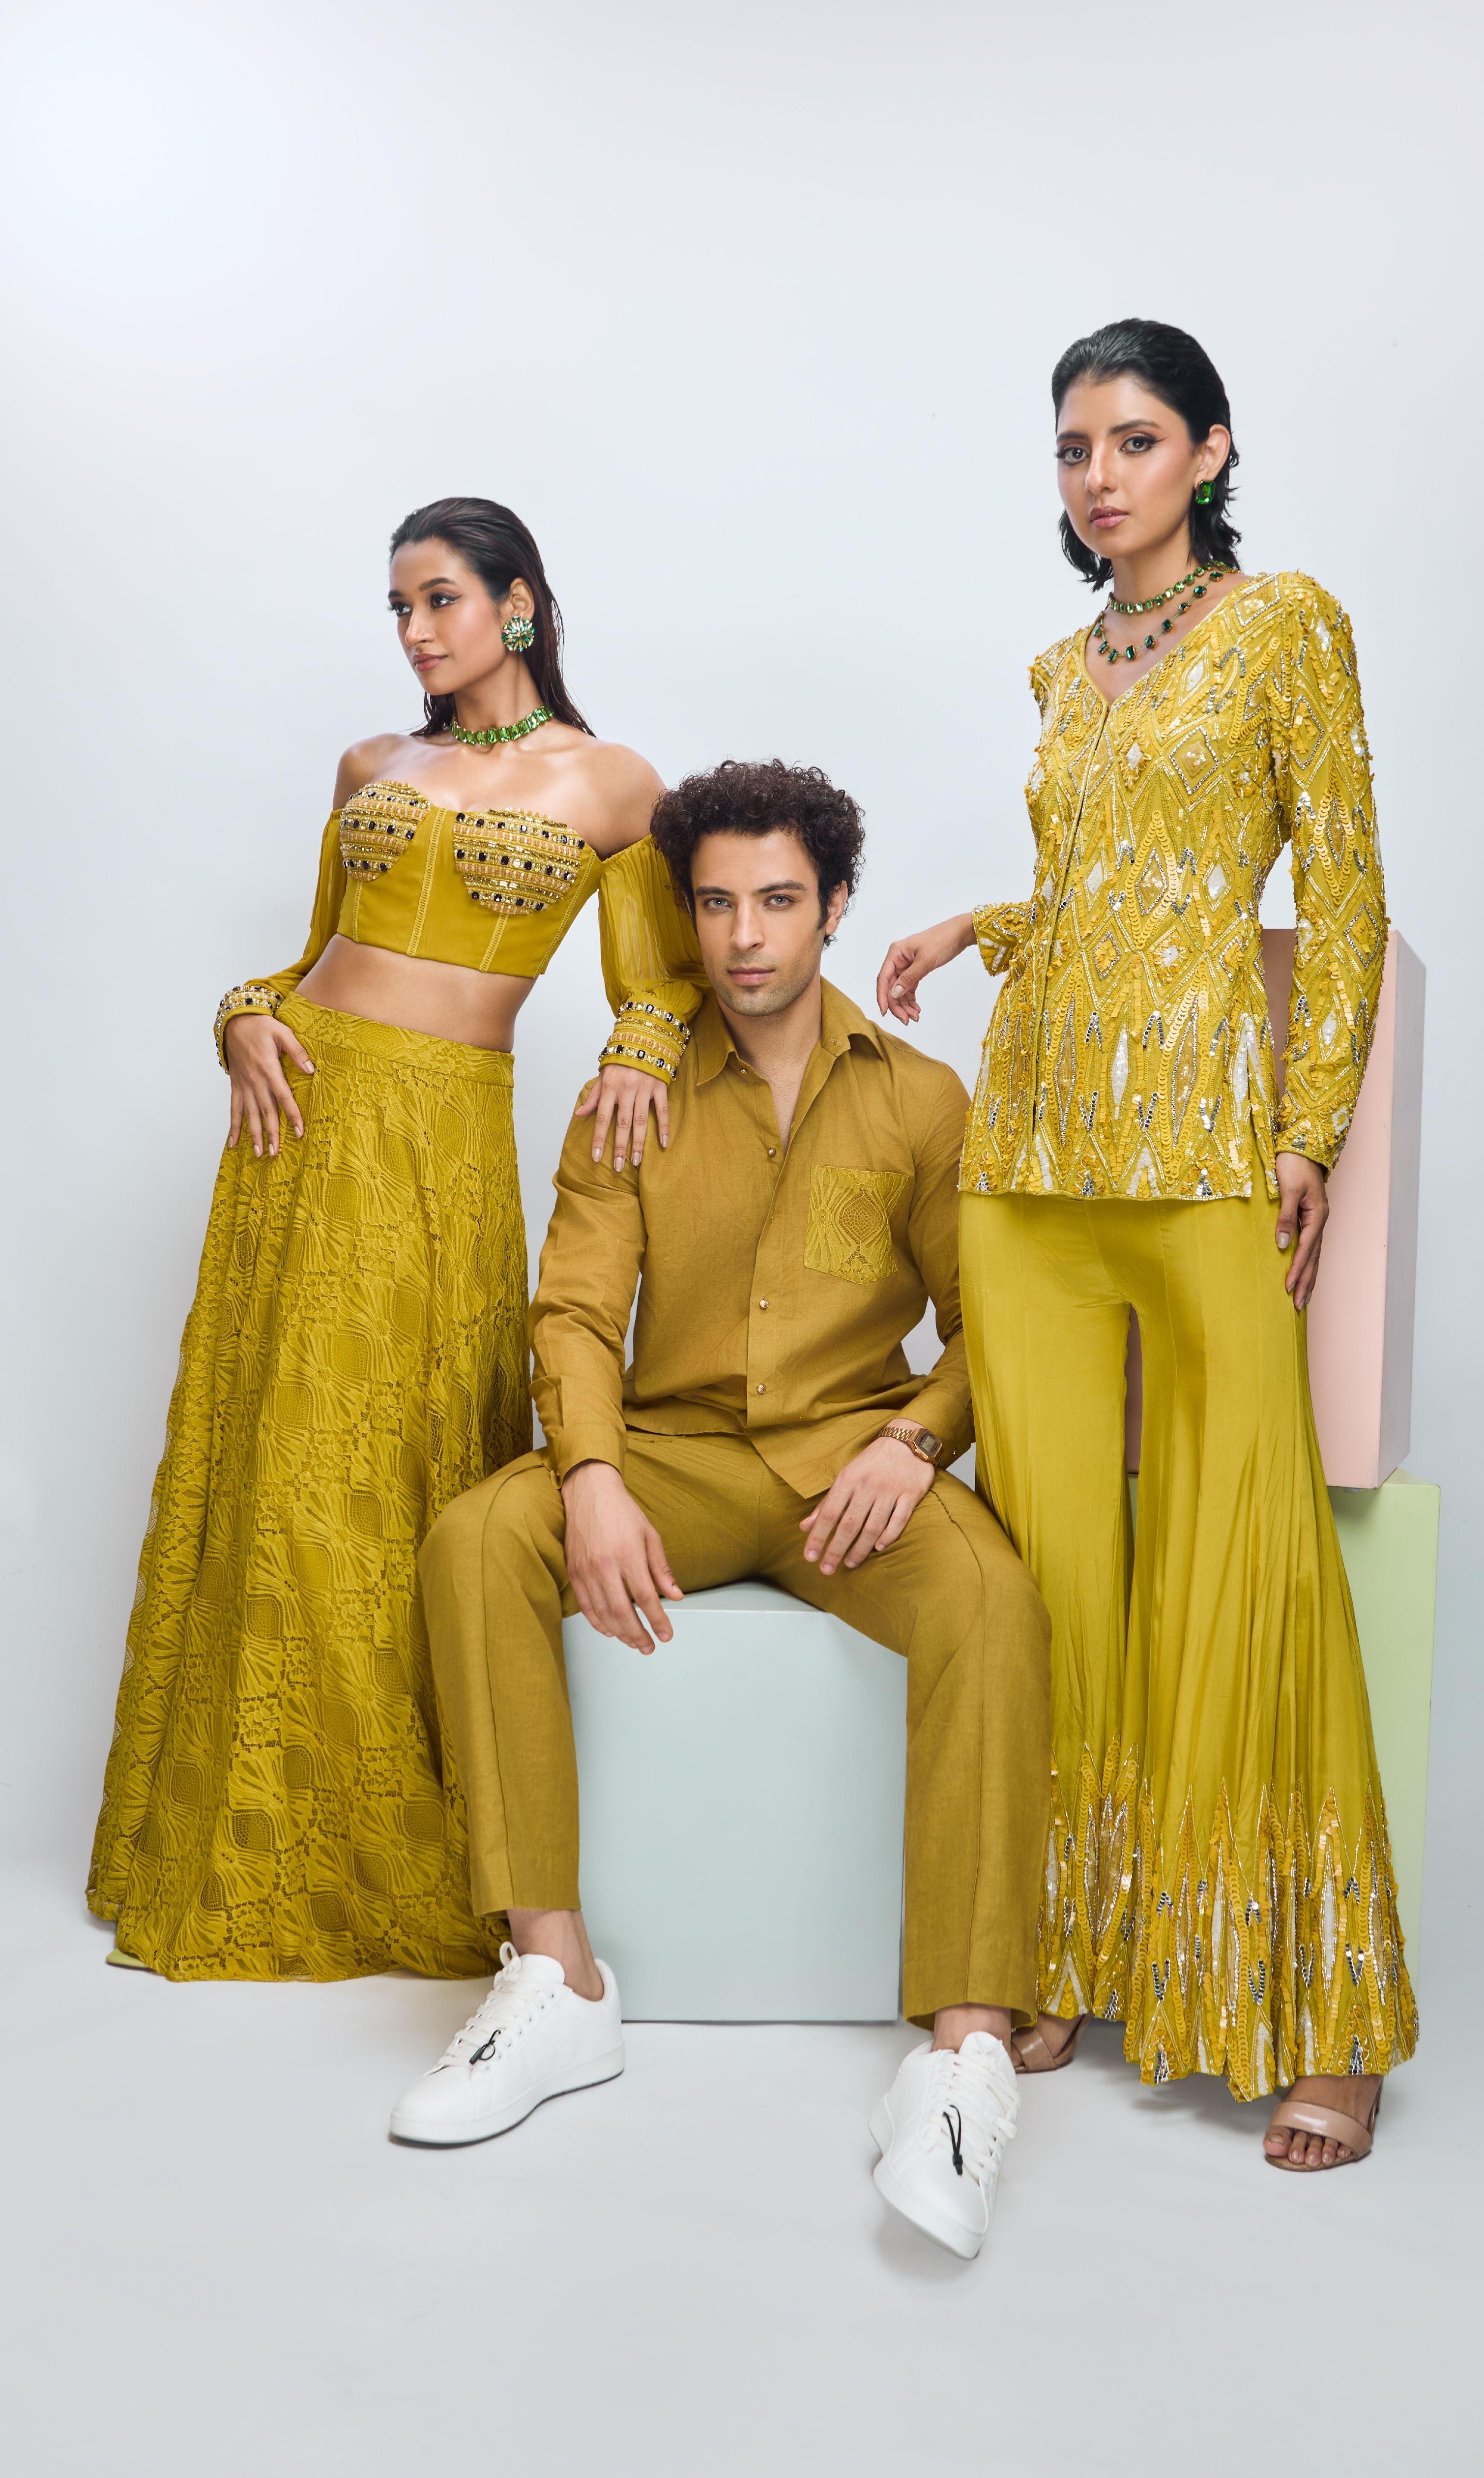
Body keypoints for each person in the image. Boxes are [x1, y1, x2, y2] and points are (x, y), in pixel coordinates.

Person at [875, 320, 1418, 2172]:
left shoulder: (1288, 626)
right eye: (1072, 449)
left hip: (1200, 1156)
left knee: (1248, 1556)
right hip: (1031, 1158)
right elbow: (1118, 893)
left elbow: (1338, 887)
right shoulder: (1065, 662)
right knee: (1057, 1574)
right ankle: (1073, 1955)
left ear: (1211, 450)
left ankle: (1324, 2017)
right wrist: (987, 924)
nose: (1098, 476)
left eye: (1132, 440)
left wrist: (1307, 1129)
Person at [395, 760, 1050, 2261]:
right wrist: (592, 1475)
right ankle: (557, 1982)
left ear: (834, 908)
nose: (745, 935)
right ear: (685, 915)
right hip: (676, 1456)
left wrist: (916, 1442)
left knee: (995, 1603)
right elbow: (575, 1312)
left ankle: (963, 2062)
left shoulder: (921, 1099)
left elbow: (987, 1325)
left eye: (777, 901)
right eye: (715, 904)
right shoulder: (631, 1093)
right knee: (476, 1538)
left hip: (853, 1469)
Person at [87, 498, 701, 1983]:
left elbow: (665, 983)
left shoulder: (612, 784)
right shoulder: (373, 765)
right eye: (401, 609)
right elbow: (305, 963)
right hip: (300, 1123)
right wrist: (241, 1019)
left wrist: (641, 1050)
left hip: (439, 1140)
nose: (418, 632)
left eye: (441, 600)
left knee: (388, 1469)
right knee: (276, 1464)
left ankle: (390, 1844)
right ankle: (239, 1832)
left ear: (519, 604)